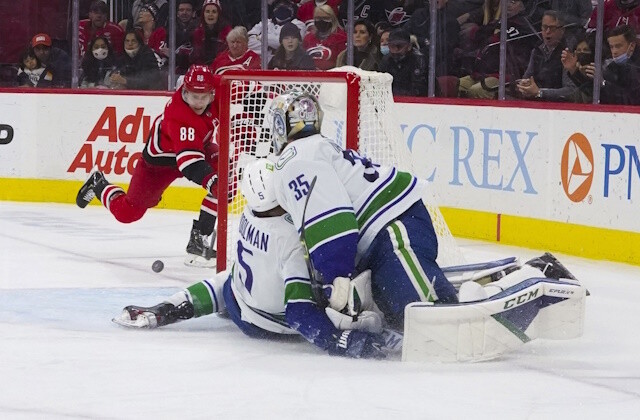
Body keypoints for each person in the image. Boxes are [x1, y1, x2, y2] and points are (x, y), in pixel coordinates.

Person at [114, 159, 388, 359]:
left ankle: (166, 309)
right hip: (271, 324)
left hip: (240, 303)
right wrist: (338, 340)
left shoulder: (248, 213)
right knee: (339, 286)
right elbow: (297, 313)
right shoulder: (290, 240)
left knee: (229, 280)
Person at [270, 90, 459, 330]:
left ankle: (448, 310)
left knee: (423, 314)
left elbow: (330, 218)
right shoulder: (317, 146)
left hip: (393, 224)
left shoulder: (295, 160)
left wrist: (335, 272)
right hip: (385, 227)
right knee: (397, 315)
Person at [77, 64, 221, 267]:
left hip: (198, 149)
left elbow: (237, 85)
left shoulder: (213, 88)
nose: (198, 102)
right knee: (128, 213)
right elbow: (191, 165)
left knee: (226, 182)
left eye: (203, 97)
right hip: (158, 166)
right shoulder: (180, 117)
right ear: (185, 92)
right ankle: (98, 184)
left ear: (212, 94)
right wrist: (213, 183)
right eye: (194, 97)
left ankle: (198, 240)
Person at [457, 0, 537, 99]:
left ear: (522, 6)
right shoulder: (498, 22)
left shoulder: (523, 26)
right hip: (481, 74)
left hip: (503, 76)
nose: (508, 5)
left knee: (476, 90)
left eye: (513, 2)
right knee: (457, 85)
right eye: (507, 1)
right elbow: (479, 35)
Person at [516, 10, 577, 102]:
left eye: (552, 28)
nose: (547, 32)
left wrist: (540, 93)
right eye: (545, 27)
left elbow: (570, 90)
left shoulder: (568, 53)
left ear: (562, 30)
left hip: (558, 106)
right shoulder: (536, 50)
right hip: (536, 101)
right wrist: (524, 85)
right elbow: (527, 77)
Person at [404, 0, 461, 77]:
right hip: (409, 57)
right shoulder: (418, 14)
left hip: (435, 68)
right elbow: (403, 34)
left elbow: (440, 51)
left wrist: (418, 41)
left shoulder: (451, 22)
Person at [378, 28, 429, 96]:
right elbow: (380, 84)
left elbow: (419, 89)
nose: (396, 50)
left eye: (399, 46)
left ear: (409, 46)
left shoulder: (419, 60)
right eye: (392, 46)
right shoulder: (386, 60)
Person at [600, 24, 640, 104]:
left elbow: (632, 100)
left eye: (618, 46)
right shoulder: (611, 68)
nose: (614, 52)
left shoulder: (637, 68)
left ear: (631, 46)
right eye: (611, 47)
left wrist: (604, 83)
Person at [302, 4, 347, 70]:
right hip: (310, 76)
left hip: (333, 76)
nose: (321, 21)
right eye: (318, 18)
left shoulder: (342, 38)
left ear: (332, 19)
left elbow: (343, 63)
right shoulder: (308, 38)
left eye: (325, 18)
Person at [190, 0, 232, 65]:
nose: (210, 14)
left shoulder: (227, 32)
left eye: (214, 12)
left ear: (219, 14)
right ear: (203, 14)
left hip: (221, 67)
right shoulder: (197, 32)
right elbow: (196, 57)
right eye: (207, 11)